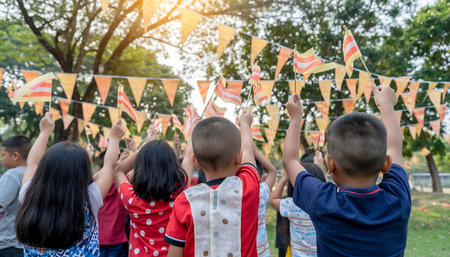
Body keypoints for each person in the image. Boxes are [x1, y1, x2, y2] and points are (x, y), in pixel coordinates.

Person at [282, 84, 411, 256]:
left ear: (330, 165)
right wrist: (387, 105)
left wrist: (295, 118)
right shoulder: (398, 197)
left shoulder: (322, 201)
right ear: (385, 164)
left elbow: (290, 160)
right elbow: (394, 148)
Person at [16, 113, 125, 256]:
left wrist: (44, 132)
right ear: (83, 173)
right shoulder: (89, 199)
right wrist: (114, 137)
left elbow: (33, 163)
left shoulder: (28, 195)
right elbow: (109, 165)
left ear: (45, 168)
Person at [165, 112, 259, 257]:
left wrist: (194, 129)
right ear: (238, 157)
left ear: (196, 161)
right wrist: (245, 124)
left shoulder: (184, 201)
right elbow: (247, 150)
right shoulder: (248, 187)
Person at [114, 127, 193, 257]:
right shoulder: (181, 194)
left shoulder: (132, 201)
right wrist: (193, 128)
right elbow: (189, 158)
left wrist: (145, 147)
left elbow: (118, 171)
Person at [270, 164, 326, 257]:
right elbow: (330, 192)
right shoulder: (326, 206)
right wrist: (321, 169)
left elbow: (273, 199)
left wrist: (284, 177)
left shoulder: (292, 205)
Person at [96, 138, 136, 257]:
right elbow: (136, 172)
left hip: (98, 239)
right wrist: (134, 151)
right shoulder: (122, 182)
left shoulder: (94, 186)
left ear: (99, 168)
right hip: (119, 239)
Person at [0, 136, 31, 257]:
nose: (1, 159)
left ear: (15, 156)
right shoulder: (35, 173)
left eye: (3, 155)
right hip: (25, 242)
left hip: (8, 243)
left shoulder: (12, 175)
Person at [254, 147, 277, 257]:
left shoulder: (232, 196)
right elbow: (272, 171)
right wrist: (253, 150)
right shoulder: (261, 192)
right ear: (261, 178)